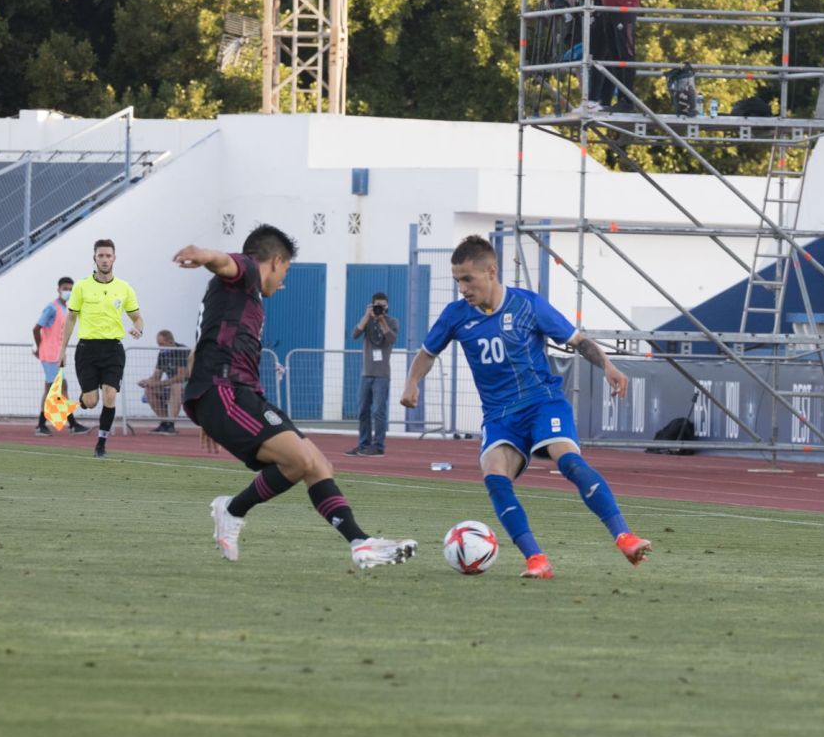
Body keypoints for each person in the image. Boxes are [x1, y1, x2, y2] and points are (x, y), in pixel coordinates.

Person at [400, 235, 651, 579]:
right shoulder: (455, 315)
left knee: (568, 461)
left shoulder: (528, 305)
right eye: (457, 280)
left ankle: (625, 537)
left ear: (491, 271)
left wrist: (607, 365)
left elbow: (578, 341)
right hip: (499, 416)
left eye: (468, 279)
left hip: (542, 402)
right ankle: (536, 559)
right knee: (494, 477)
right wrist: (412, 383)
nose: (462, 288)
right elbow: (427, 353)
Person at [175, 224, 417, 569]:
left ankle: (360, 543)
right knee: (299, 460)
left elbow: (200, 346)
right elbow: (225, 262)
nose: (282, 281)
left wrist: (205, 409)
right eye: (285, 270)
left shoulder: (239, 297)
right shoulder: (245, 273)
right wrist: (203, 254)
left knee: (318, 463)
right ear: (276, 261)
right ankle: (232, 510)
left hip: (233, 395)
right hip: (225, 391)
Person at [59, 239, 144, 458]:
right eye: (101, 256)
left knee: (110, 395)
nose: (105, 260)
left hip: (113, 349)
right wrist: (62, 349)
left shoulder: (124, 288)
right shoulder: (81, 286)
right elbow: (71, 318)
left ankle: (101, 444)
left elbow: (137, 317)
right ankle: (83, 399)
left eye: (108, 256)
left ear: (114, 258)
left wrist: (138, 328)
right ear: (94, 258)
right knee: (91, 401)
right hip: (87, 349)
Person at [32, 277, 88, 436]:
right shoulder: (52, 308)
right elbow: (36, 328)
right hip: (50, 355)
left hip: (57, 354)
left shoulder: (66, 308)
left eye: (70, 289)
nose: (68, 292)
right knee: (54, 389)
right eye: (65, 288)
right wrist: (40, 348)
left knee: (60, 387)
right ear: (58, 289)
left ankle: (69, 424)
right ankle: (45, 425)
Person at [346, 292, 398, 457]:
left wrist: (381, 320)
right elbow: (354, 335)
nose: (380, 308)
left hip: (382, 374)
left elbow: (391, 339)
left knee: (379, 411)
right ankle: (364, 444)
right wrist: (366, 316)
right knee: (363, 411)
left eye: (383, 305)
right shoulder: (367, 320)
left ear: (387, 306)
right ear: (372, 305)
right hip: (366, 373)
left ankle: (378, 446)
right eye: (377, 305)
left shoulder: (392, 321)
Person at [588, 0, 639, 112]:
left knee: (626, 54)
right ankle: (619, 100)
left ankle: (627, 100)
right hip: (608, 10)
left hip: (624, 8)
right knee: (614, 55)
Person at [138, 329, 188, 435]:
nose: (159, 347)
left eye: (161, 344)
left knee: (176, 386)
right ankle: (164, 422)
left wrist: (160, 383)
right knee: (149, 390)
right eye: (158, 344)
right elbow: (157, 375)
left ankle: (171, 424)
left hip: (188, 385)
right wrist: (147, 382)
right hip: (171, 385)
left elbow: (181, 377)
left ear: (170, 342)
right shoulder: (162, 353)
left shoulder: (182, 350)